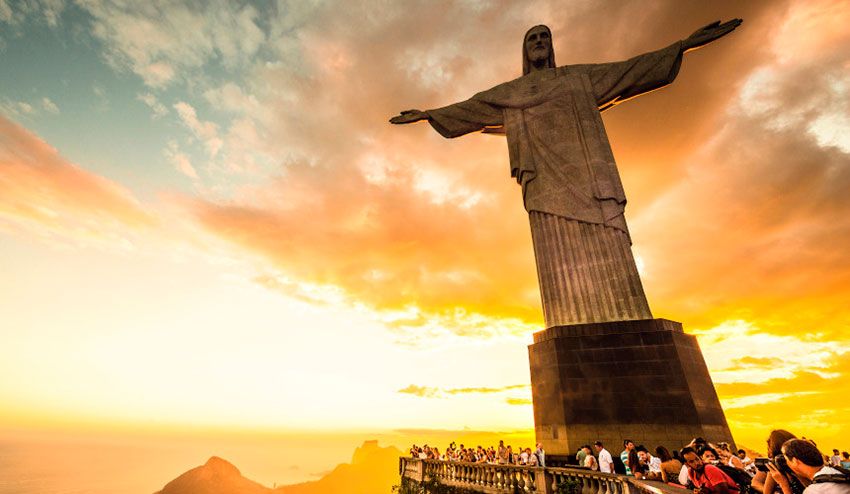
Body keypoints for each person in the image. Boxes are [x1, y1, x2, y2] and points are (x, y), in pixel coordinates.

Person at [390, 19, 743, 327]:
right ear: (525, 50)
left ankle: (628, 314)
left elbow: (632, 69)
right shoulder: (510, 92)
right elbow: (472, 107)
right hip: (544, 184)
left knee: (610, 243)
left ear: (552, 45)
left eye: (545, 36)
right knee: (558, 257)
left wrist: (684, 45)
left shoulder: (579, 77)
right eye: (533, 38)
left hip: (591, 180)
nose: (540, 41)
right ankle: (570, 319)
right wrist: (428, 113)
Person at [772, 439, 850, 494]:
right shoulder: (838, 472)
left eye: (786, 460)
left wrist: (784, 485)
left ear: (795, 461)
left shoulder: (814, 491)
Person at [753, 430, 807, 494]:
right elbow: (766, 492)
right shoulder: (776, 466)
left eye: (769, 449)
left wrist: (783, 483)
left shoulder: (800, 464)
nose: (768, 453)